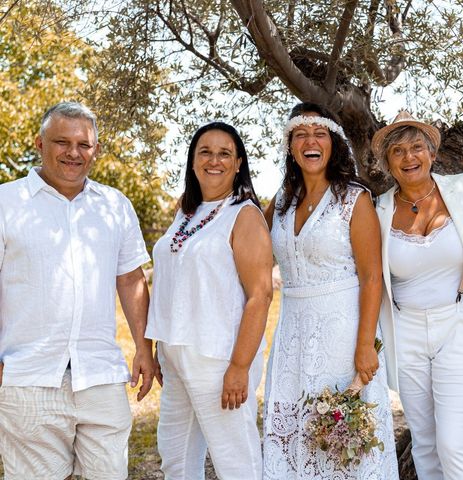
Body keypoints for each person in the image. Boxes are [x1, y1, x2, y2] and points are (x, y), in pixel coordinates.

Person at [0, 102, 154, 479]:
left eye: (83, 144)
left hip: (100, 375)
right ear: (39, 143)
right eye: (61, 142)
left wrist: (144, 348)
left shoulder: (115, 206)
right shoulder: (6, 203)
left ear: (96, 150)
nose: (73, 152)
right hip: (28, 376)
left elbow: (131, 279)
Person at [262, 102, 399, 479]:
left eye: (319, 133)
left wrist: (365, 345)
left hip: (343, 335)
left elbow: (372, 278)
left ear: (333, 143)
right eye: (300, 135)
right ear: (290, 146)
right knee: (296, 435)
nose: (310, 141)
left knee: (345, 438)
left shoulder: (354, 199)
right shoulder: (281, 200)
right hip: (292, 334)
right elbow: (251, 249)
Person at [371, 111, 463, 479]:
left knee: (454, 443)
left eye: (416, 148)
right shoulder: (378, 209)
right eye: (398, 151)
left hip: (459, 326)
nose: (409, 158)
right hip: (406, 330)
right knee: (425, 443)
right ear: (387, 163)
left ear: (430, 153)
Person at [145, 121, 272, 480]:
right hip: (176, 353)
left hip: (219, 357)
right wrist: (161, 347)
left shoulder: (244, 215)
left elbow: (260, 295)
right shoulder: (185, 212)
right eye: (205, 152)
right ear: (192, 161)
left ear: (238, 163)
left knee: (236, 462)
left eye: (224, 154)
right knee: (176, 458)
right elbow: (176, 282)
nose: (214, 160)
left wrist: (239, 367)